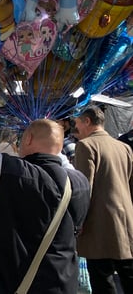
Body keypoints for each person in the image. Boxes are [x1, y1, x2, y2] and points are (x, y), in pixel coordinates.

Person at [0, 94, 91, 294]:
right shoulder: (81, 182)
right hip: (63, 284)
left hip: (11, 285)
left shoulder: (8, 172)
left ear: (29, 138)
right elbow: (59, 161)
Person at [73, 105, 133, 294]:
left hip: (98, 222)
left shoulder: (85, 146)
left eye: (77, 124)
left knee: (102, 279)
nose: (76, 129)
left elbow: (84, 188)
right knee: (128, 274)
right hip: (126, 219)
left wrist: (78, 221)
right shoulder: (123, 147)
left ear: (87, 121)